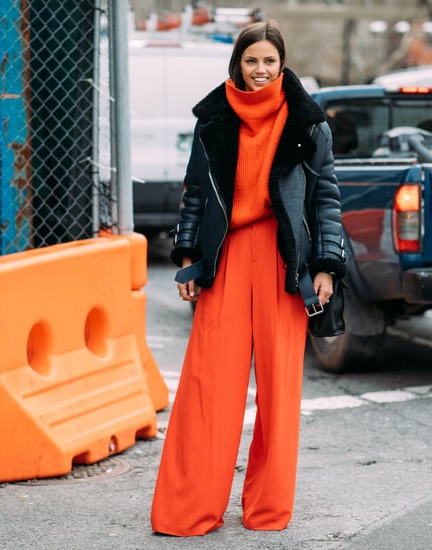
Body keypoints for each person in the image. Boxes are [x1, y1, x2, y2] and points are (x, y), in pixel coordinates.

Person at [150, 19, 346, 537]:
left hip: (287, 263)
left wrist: (327, 265)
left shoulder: (308, 122)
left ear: (283, 66)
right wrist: (188, 257)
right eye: (251, 60)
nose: (260, 71)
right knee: (208, 385)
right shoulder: (214, 118)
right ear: (237, 63)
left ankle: (267, 509)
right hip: (228, 256)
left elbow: (326, 197)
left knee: (280, 392)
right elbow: (195, 193)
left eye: (270, 62)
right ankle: (190, 508)